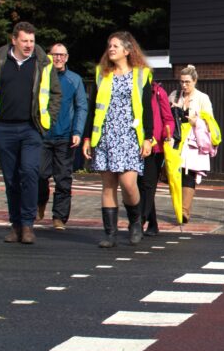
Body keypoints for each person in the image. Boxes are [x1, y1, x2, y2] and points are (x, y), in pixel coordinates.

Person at [0, 21, 62, 245]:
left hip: (31, 128)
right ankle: (15, 224)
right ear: (14, 40)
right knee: (11, 179)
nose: (29, 45)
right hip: (4, 128)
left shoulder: (42, 63)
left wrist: (48, 121)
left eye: (32, 41)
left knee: (29, 173)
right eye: (24, 41)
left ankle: (28, 225)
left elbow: (56, 94)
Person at [82, 32, 153, 248]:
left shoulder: (141, 75)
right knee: (108, 185)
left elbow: (147, 109)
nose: (110, 49)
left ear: (127, 50)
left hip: (130, 136)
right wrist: (87, 137)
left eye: (115, 46)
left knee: (128, 183)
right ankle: (110, 233)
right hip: (105, 135)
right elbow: (93, 107)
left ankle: (135, 222)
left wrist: (148, 138)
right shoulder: (102, 74)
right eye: (109, 46)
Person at [37, 43, 87, 231]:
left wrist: (78, 131)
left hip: (65, 136)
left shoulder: (74, 80)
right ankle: (40, 202)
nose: (58, 58)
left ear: (66, 57)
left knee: (63, 179)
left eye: (61, 55)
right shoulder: (41, 77)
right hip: (42, 135)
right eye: (54, 54)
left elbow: (82, 106)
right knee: (40, 174)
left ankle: (59, 217)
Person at [169, 65, 215, 224]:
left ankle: (184, 211)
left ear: (195, 81)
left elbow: (210, 121)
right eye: (181, 82)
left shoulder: (203, 98)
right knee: (174, 173)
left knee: (188, 174)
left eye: (187, 82)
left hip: (192, 142)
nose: (184, 85)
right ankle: (178, 207)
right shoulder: (174, 95)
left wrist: (197, 121)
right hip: (175, 140)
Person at [139, 79, 174, 236]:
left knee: (148, 184)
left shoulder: (159, 93)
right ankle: (153, 224)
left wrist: (167, 134)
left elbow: (168, 118)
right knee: (141, 185)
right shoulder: (132, 91)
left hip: (155, 146)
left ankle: (140, 220)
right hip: (135, 145)